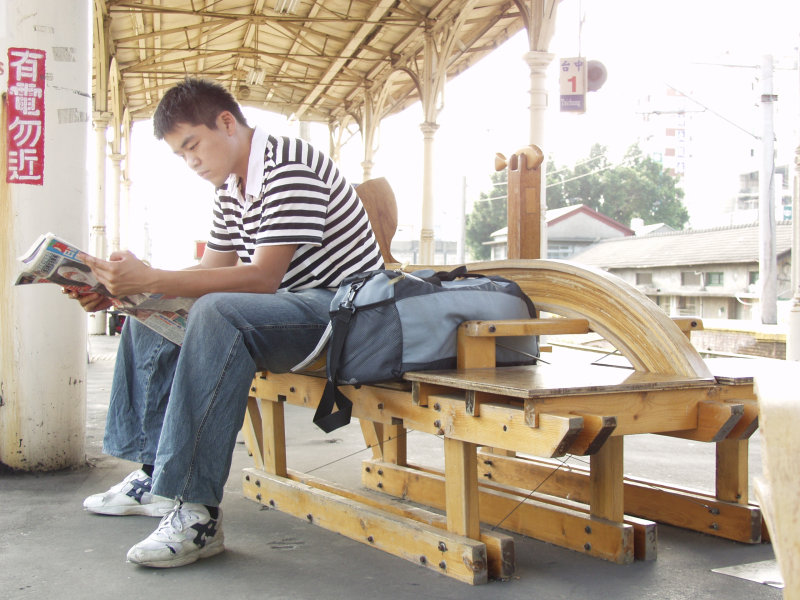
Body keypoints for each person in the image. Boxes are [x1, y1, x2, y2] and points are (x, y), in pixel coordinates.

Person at [71, 77, 383, 568]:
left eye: (193, 144)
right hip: (292, 310)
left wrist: (152, 276)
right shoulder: (232, 185)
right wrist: (131, 288)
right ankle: (154, 474)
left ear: (226, 122)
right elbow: (213, 270)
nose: (191, 161)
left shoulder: (287, 167)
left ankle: (195, 512)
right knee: (148, 312)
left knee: (219, 311)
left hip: (347, 316)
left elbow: (260, 278)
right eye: (180, 154)